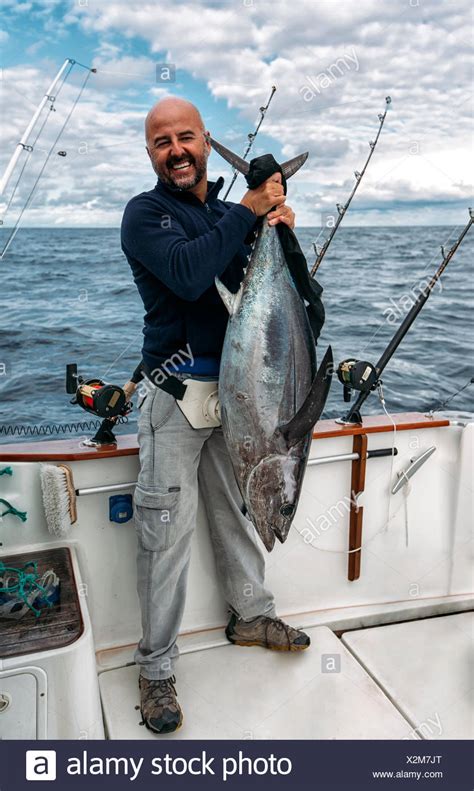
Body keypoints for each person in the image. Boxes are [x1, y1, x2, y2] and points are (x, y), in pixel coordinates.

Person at [121, 97, 311, 736]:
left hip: (242, 401)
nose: (175, 150)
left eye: (185, 138)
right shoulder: (146, 215)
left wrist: (279, 225)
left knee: (236, 514)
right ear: (151, 155)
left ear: (206, 142)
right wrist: (251, 208)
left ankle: (251, 614)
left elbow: (295, 308)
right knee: (165, 536)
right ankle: (155, 671)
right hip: (175, 398)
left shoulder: (233, 217)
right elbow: (187, 272)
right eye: (160, 143)